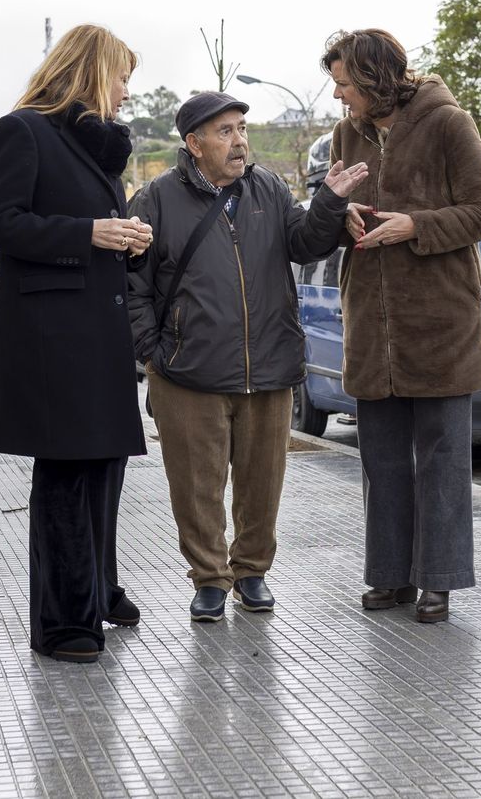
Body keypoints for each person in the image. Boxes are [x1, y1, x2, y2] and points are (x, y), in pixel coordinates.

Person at [127, 93, 367, 621]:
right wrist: (155, 352)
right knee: (196, 487)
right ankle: (210, 578)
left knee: (262, 481)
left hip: (268, 365)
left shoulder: (269, 188)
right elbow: (132, 286)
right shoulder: (156, 199)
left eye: (241, 129)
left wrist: (329, 200)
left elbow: (305, 243)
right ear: (194, 144)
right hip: (187, 372)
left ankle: (252, 571)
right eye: (225, 132)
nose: (239, 141)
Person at [0, 24, 153, 664]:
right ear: (92, 72)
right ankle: (61, 624)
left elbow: (92, 228)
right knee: (69, 471)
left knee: (104, 463)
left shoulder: (99, 149)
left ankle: (97, 590)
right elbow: (0, 223)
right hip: (53, 336)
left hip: (98, 327)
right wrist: (90, 233)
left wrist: (128, 239)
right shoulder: (21, 130)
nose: (126, 91)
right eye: (121, 77)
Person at [324, 29, 481, 624]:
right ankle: (390, 577)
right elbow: (333, 204)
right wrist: (344, 216)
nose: (338, 96)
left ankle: (438, 581)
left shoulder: (449, 124)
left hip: (440, 324)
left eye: (344, 84)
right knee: (380, 460)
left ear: (374, 79)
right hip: (370, 324)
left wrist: (415, 226)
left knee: (442, 461)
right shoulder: (347, 134)